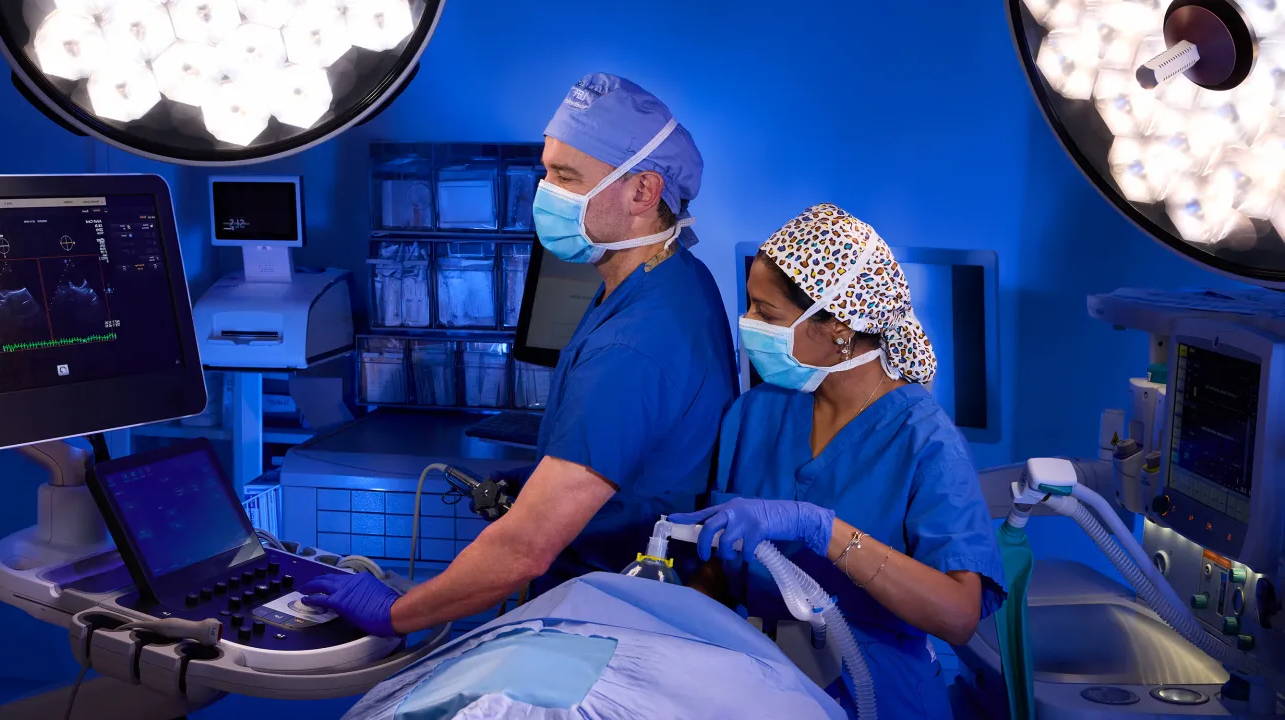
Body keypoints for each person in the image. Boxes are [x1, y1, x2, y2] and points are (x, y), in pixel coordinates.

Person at [296, 73, 738, 638]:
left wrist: (393, 613)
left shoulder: (636, 342)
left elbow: (526, 548)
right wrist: (547, 477)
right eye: (546, 171)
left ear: (643, 192)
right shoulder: (669, 278)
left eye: (566, 177)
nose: (544, 191)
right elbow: (642, 448)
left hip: (615, 612)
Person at [670, 204, 1004, 720]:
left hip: (879, 693)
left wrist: (823, 530)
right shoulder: (757, 412)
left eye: (767, 314)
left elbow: (958, 616)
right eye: (750, 306)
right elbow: (722, 567)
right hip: (760, 682)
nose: (747, 324)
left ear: (839, 327)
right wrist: (666, 627)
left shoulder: (925, 441)